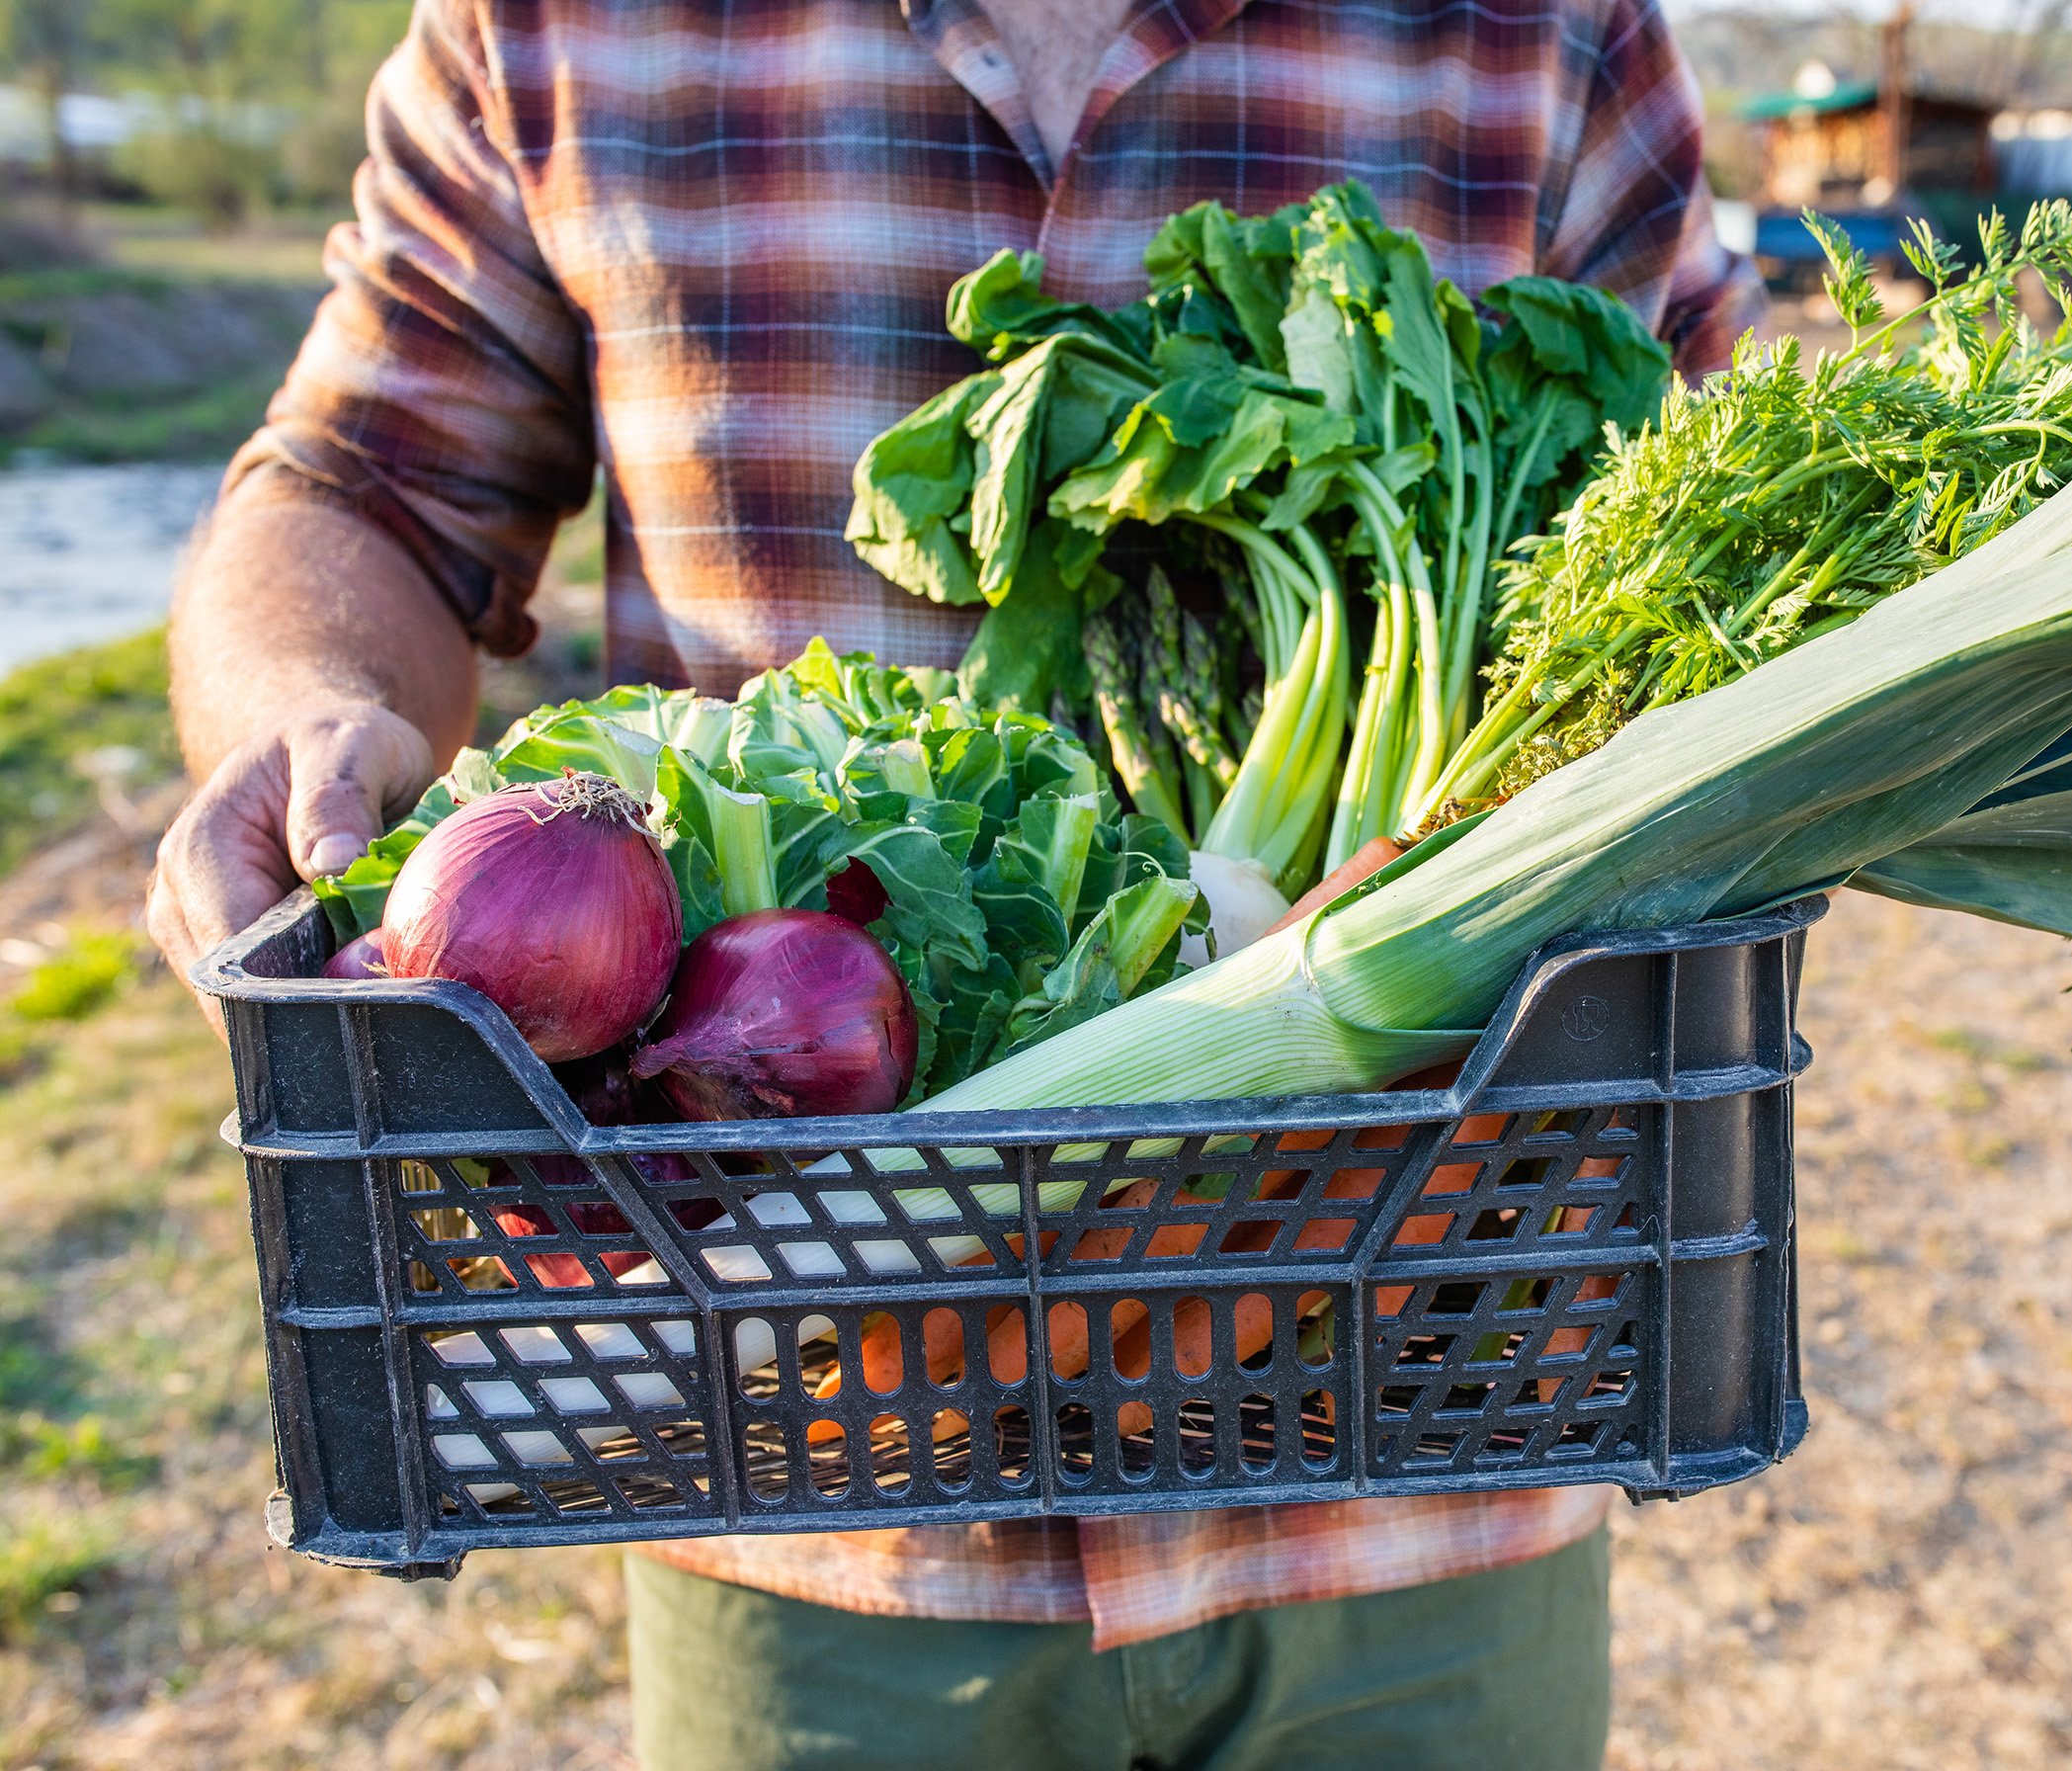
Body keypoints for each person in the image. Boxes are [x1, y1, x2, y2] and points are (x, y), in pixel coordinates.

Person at [147, 0, 1767, 1763]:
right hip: (795, 1457)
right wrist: (304, 712)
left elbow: (1729, 522)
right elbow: (363, 481)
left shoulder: (1546, 29)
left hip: (1426, 1417)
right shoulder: (551, 26)